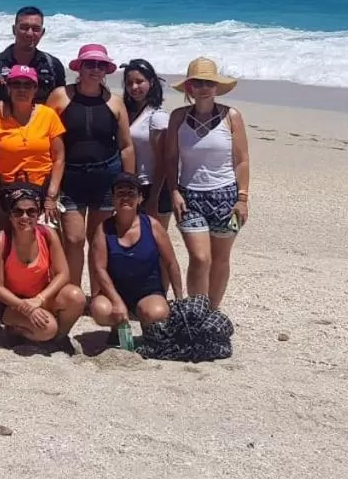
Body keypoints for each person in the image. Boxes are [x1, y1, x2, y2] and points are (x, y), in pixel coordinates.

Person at [154, 57, 250, 307]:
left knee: (220, 259)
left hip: (226, 197)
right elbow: (170, 158)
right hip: (189, 197)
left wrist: (242, 198)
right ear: (190, 87)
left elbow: (241, 161)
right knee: (199, 258)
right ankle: (197, 310)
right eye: (198, 83)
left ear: (217, 86)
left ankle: (212, 311)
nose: (204, 87)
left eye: (209, 82)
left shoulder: (231, 116)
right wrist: (174, 191)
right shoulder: (178, 117)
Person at [47, 44, 135, 286]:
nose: (95, 69)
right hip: (70, 177)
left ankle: (98, 294)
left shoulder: (115, 102)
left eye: (101, 65)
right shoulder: (60, 96)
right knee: (73, 239)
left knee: (99, 240)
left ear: (106, 70)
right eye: (90, 64)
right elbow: (44, 133)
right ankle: (72, 293)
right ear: (80, 67)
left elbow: (126, 146)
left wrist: (129, 182)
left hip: (106, 176)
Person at [0, 184, 87, 344]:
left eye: (31, 212)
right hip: (13, 303)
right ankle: (15, 330)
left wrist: (40, 299)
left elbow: (63, 274)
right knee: (47, 329)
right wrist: (25, 307)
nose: (24, 217)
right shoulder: (1, 241)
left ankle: (59, 339)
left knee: (76, 297)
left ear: (38, 214)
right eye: (18, 212)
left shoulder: (48, 234)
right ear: (10, 216)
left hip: (41, 296)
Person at [89, 174, 184, 334]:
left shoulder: (153, 225)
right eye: (120, 193)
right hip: (115, 291)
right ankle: (118, 330)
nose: (125, 197)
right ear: (113, 199)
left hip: (148, 291)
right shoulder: (103, 229)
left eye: (131, 193)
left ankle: (148, 330)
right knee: (100, 310)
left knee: (157, 313)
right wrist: (117, 301)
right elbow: (99, 269)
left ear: (140, 198)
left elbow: (171, 263)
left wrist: (180, 300)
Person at [0, 64, 66, 224]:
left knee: (46, 236)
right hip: (6, 191)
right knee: (5, 237)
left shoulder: (48, 115)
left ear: (35, 89)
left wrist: (51, 196)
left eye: (27, 85)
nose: (22, 90)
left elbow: (59, 158)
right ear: (8, 88)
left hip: (42, 190)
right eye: (16, 84)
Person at [0, 5, 67, 105]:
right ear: (14, 30)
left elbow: (60, 101)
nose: (29, 33)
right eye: (24, 28)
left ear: (42, 33)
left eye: (35, 29)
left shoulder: (53, 66)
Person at [124, 59, 171, 228]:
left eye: (139, 81)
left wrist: (154, 198)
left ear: (151, 82)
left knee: (155, 237)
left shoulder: (157, 116)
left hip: (154, 186)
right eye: (129, 83)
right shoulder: (128, 112)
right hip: (134, 184)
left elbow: (164, 160)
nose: (134, 87)